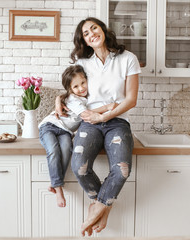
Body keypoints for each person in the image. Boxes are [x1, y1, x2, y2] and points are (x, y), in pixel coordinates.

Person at [55, 17, 141, 235]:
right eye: (85, 33)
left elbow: (130, 100)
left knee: (121, 170)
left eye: (94, 28)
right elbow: (73, 93)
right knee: (79, 167)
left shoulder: (127, 58)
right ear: (83, 40)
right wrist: (59, 99)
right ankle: (102, 203)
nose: (91, 33)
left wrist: (105, 116)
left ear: (103, 30)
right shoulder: (83, 64)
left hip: (118, 121)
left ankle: (98, 209)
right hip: (89, 122)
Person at [38, 65, 118, 208]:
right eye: (76, 86)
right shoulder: (72, 99)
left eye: (83, 83)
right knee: (53, 150)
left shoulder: (86, 97)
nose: (81, 88)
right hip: (50, 126)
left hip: (65, 132)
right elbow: (86, 114)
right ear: (70, 90)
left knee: (67, 149)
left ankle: (55, 183)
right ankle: (57, 188)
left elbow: (88, 108)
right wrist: (107, 107)